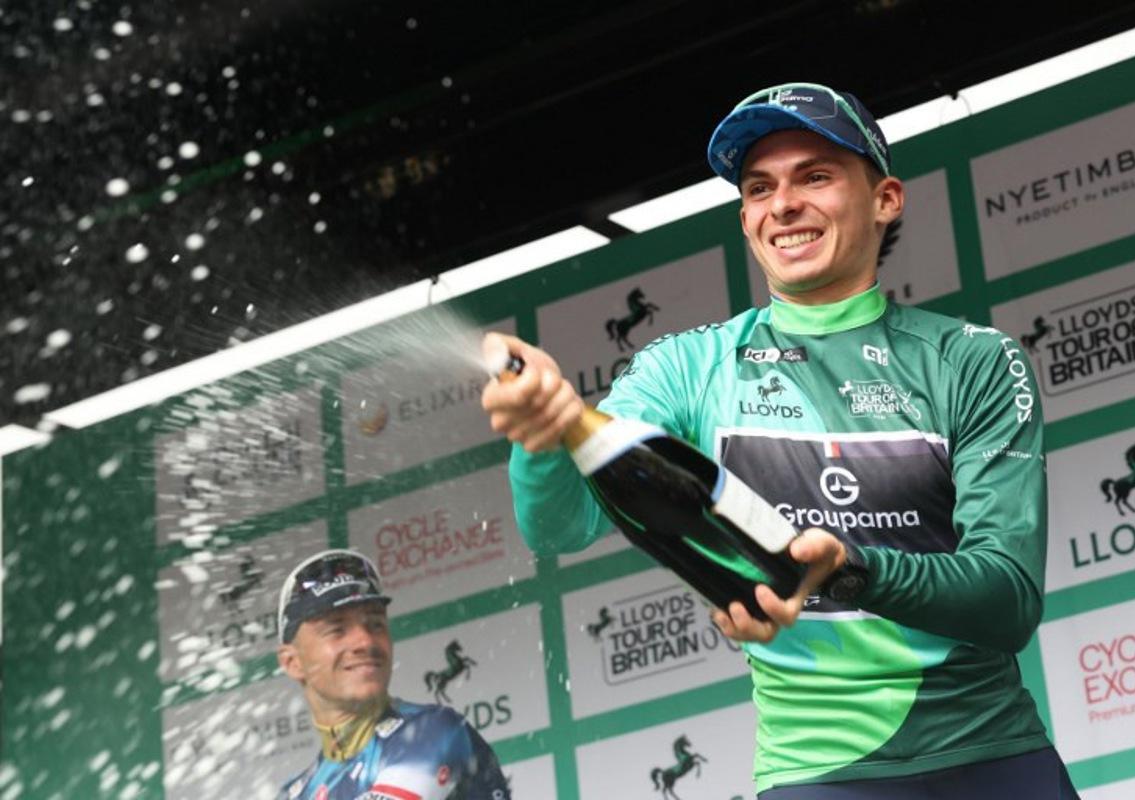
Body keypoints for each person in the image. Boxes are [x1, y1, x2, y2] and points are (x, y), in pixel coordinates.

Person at [481, 82, 1079, 798]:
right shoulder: (687, 368)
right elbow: (559, 526)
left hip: (994, 757)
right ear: (745, 218)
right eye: (759, 188)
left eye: (815, 176)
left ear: (886, 198)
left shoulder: (973, 360)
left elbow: (1007, 600)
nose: (783, 205)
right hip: (817, 775)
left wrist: (852, 570)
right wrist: (544, 435)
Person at [274, 548, 510, 800]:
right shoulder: (294, 793)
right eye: (337, 629)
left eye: (375, 624)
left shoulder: (429, 733)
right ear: (292, 663)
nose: (365, 640)